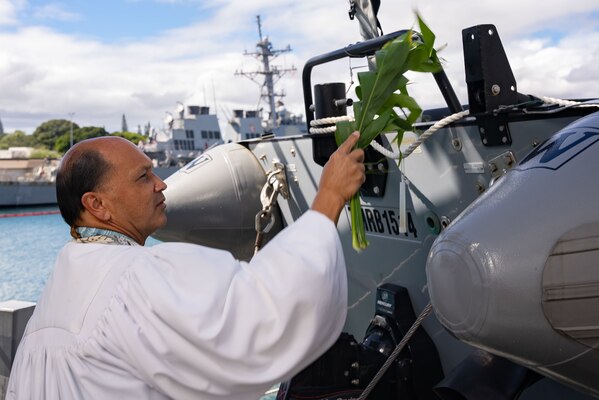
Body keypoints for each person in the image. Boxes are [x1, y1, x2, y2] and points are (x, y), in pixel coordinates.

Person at [7, 133, 365, 399]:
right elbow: (259, 318)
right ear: (97, 205)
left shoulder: (64, 283)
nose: (161, 183)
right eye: (143, 176)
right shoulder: (132, 276)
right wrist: (328, 199)